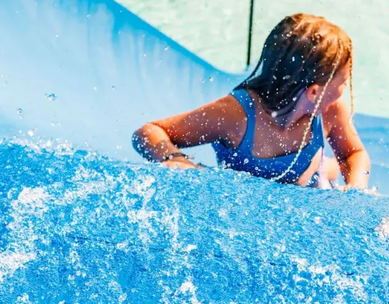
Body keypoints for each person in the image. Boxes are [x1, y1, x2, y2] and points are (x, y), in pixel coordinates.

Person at [133, 14, 370, 189]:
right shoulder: (237, 116)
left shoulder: (329, 111)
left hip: (311, 183)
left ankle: (324, 167)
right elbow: (149, 132)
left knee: (323, 172)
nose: (344, 91)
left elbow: (353, 153)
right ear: (314, 92)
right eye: (343, 82)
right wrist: (176, 160)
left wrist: (356, 188)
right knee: (321, 168)